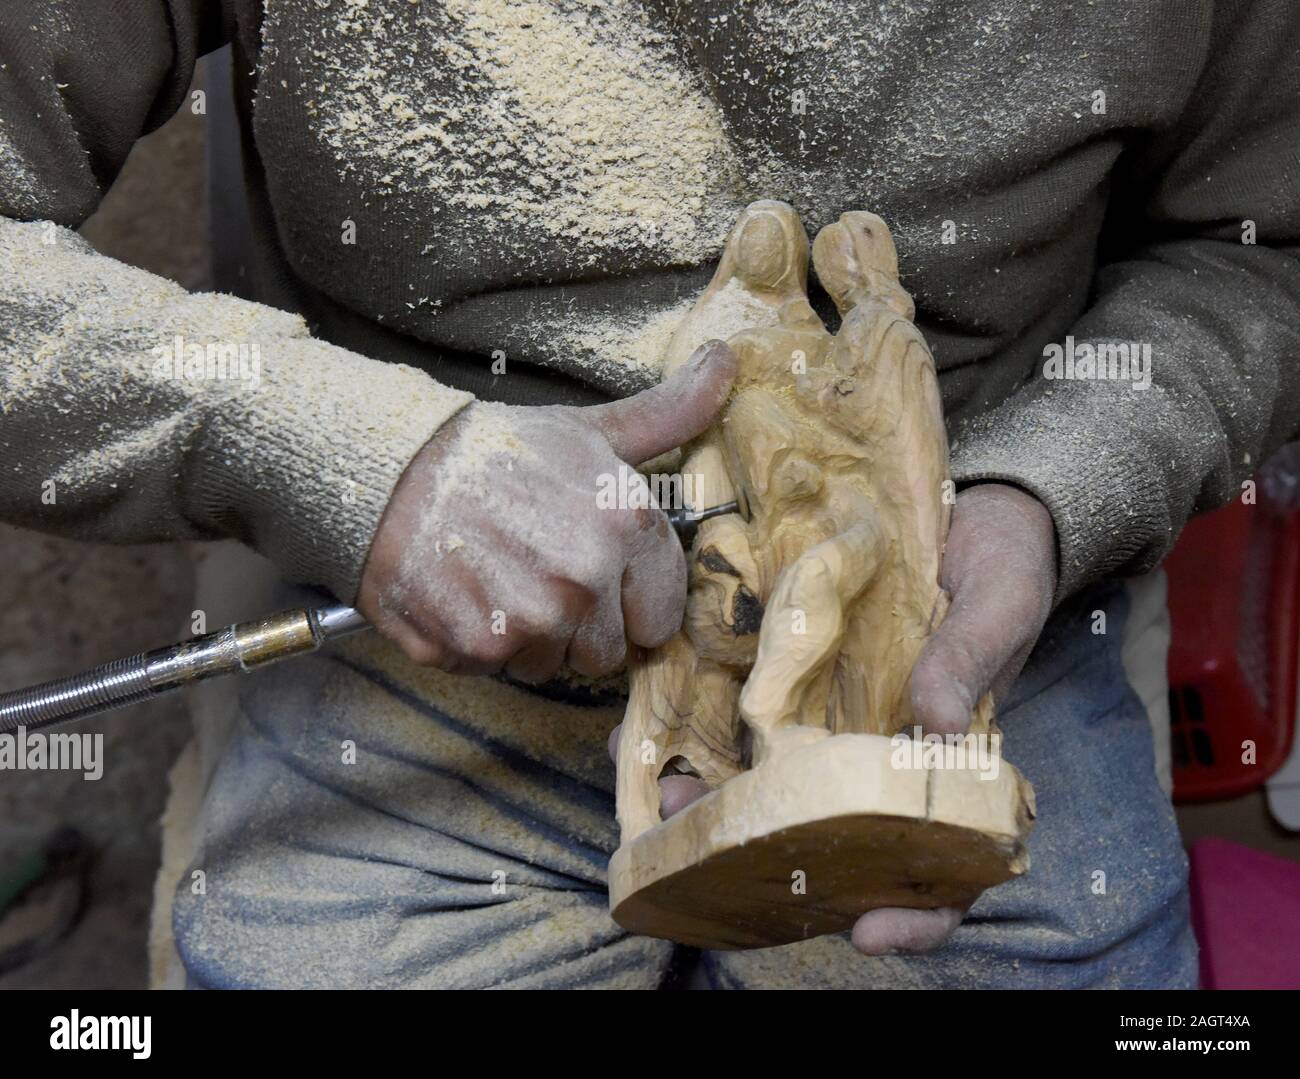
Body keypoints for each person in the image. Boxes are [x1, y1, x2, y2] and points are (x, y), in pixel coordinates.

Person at [2, 0, 1297, 989]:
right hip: (412, 608)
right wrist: (348, 456)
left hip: (955, 615)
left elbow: (1262, 247)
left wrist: (1054, 489)